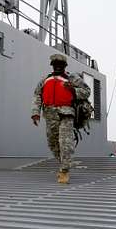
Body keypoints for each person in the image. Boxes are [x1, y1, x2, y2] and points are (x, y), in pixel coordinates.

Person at [31, 53, 90, 184]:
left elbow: (87, 91)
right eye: (55, 65)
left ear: (64, 66)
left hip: (66, 113)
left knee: (65, 142)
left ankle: (64, 171)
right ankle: (65, 162)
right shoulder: (45, 79)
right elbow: (37, 95)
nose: (57, 67)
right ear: (52, 66)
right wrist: (35, 113)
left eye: (60, 65)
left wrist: (74, 90)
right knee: (53, 144)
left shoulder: (72, 78)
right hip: (50, 115)